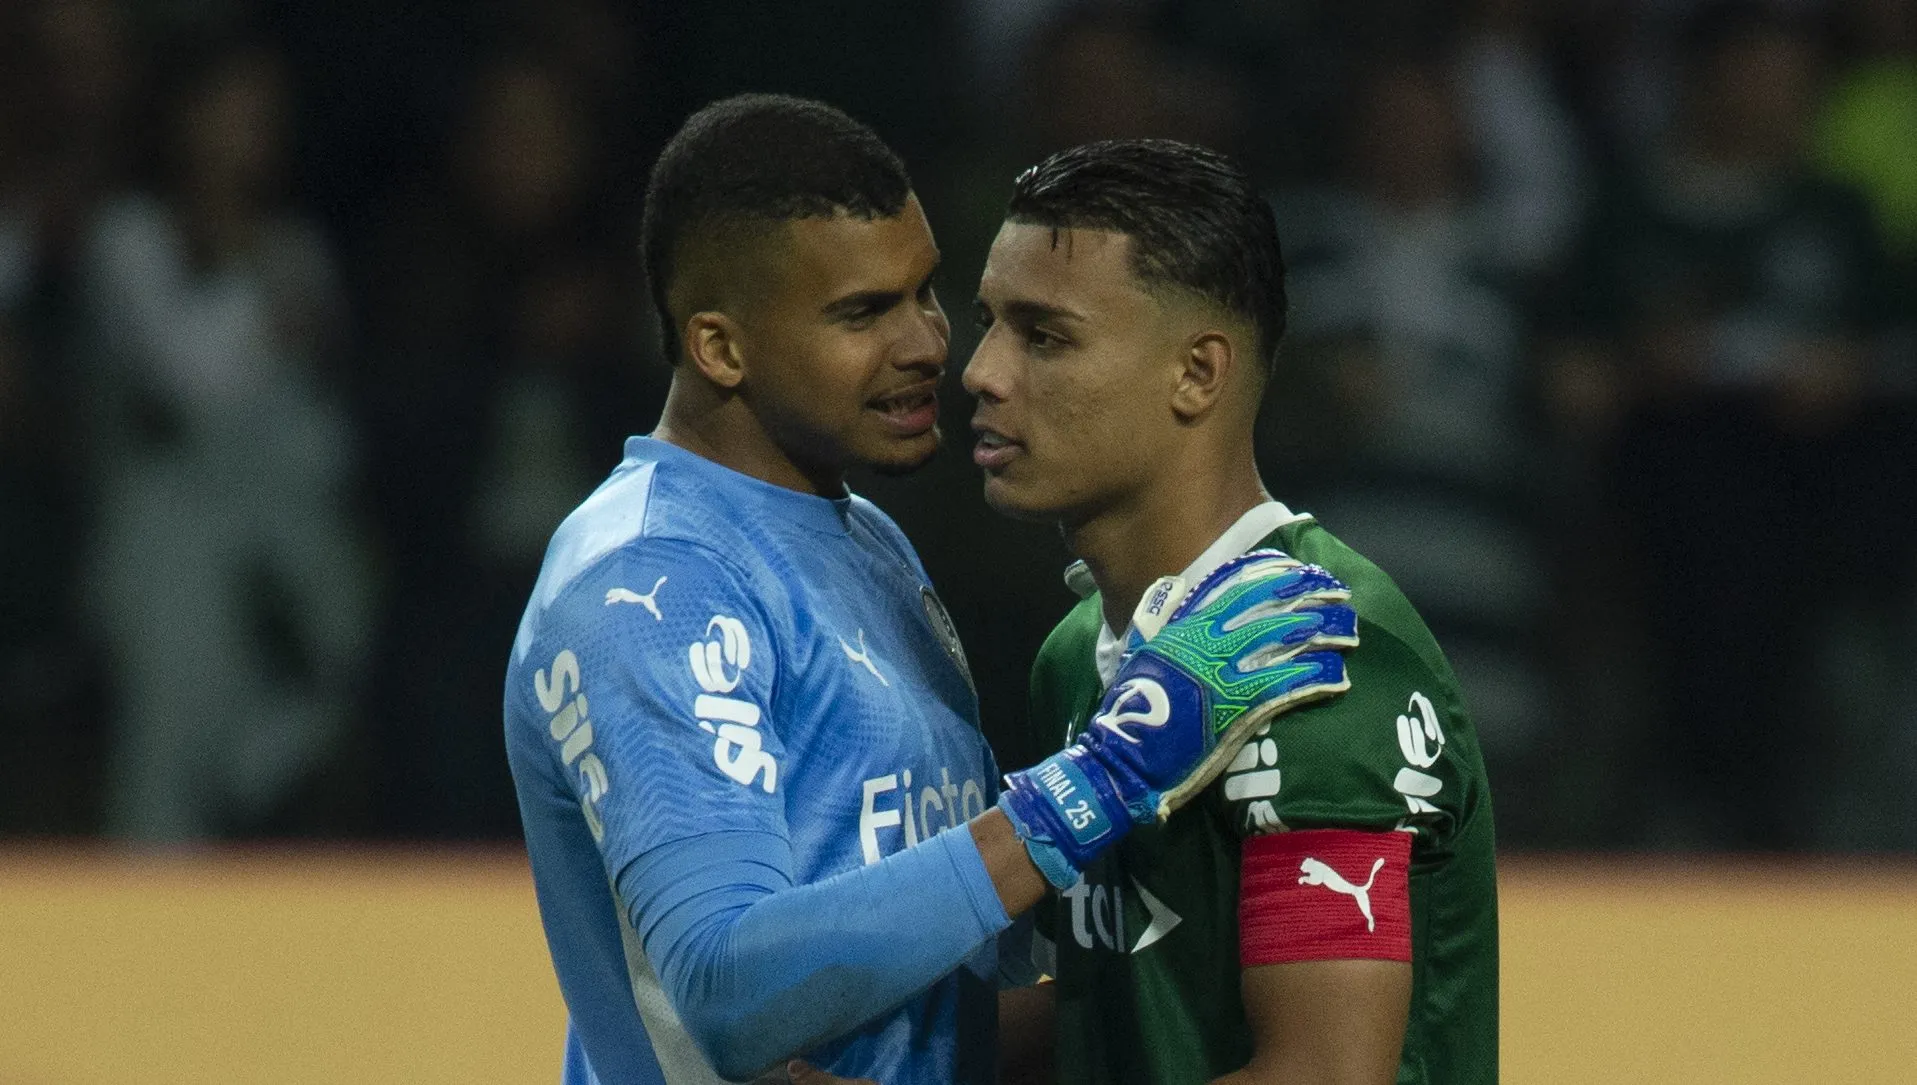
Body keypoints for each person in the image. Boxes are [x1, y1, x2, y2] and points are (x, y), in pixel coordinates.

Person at [503, 96, 1363, 1085]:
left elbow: (954, 982)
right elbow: (730, 991)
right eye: (863, 312)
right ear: (720, 347)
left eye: (925, 292)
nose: (929, 344)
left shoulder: (869, 542)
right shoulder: (649, 584)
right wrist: (1095, 787)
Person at [966, 139, 1499, 1084]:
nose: (982, 370)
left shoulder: (1318, 650)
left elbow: (1325, 1074)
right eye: (990, 324)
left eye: (1042, 335)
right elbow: (1123, 998)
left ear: (1197, 373)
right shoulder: (1073, 654)